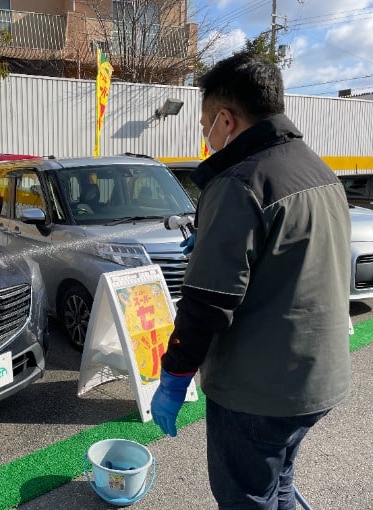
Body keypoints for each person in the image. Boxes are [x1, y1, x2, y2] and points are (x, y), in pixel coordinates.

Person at [150, 51, 352, 509]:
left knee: (245, 497)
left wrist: (175, 376)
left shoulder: (239, 183)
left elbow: (205, 303)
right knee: (279, 482)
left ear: (226, 120)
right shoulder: (318, 170)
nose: (206, 137)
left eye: (205, 126)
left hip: (259, 392)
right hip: (320, 380)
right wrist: (212, 242)